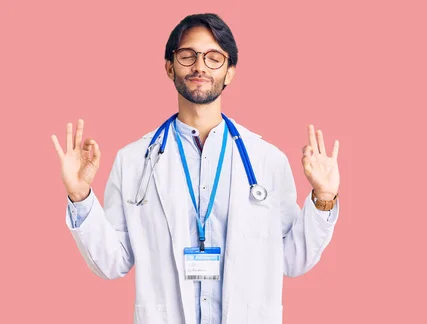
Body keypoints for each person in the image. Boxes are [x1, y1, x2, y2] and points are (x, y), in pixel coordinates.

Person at [50, 13, 340, 324]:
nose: (200, 66)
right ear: (169, 66)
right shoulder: (133, 160)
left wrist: (323, 197)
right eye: (188, 55)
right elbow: (111, 262)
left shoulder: (267, 161)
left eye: (214, 57)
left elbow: (293, 260)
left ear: (229, 73)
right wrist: (80, 195)